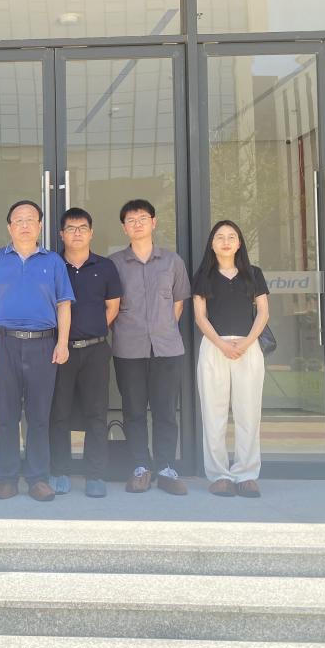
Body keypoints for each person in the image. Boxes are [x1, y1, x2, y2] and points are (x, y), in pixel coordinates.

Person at [0, 200, 74, 502]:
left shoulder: (53, 262)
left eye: (30, 219)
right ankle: (5, 478)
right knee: (7, 415)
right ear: (9, 227)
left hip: (43, 345)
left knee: (39, 416)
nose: (24, 225)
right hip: (3, 343)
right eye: (18, 220)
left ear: (40, 226)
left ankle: (37, 478)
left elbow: (64, 304)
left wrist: (62, 342)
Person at [109, 199, 192, 495]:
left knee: (165, 411)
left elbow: (178, 302)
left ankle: (166, 467)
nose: (137, 224)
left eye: (143, 218)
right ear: (124, 227)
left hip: (167, 349)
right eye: (131, 220)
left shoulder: (172, 261)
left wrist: (161, 328)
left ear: (154, 222)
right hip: (128, 349)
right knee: (133, 410)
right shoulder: (114, 263)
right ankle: (140, 467)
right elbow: (110, 305)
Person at [48, 208, 122, 498]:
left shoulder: (105, 267)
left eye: (82, 228)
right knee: (59, 413)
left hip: (95, 350)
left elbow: (113, 306)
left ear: (91, 233)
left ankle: (95, 475)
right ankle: (60, 471)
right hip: (59, 350)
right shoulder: (53, 266)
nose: (77, 233)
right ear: (61, 234)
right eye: (71, 228)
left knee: (96, 413)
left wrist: (92, 328)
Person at [192, 220, 269, 498]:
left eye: (231, 237)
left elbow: (263, 312)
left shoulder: (253, 274)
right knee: (214, 414)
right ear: (212, 244)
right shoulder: (203, 276)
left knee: (249, 413)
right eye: (220, 237)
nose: (226, 241)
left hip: (248, 348)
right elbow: (200, 317)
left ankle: (246, 474)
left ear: (239, 243)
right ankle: (220, 475)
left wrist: (246, 343)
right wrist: (222, 345)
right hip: (215, 348)